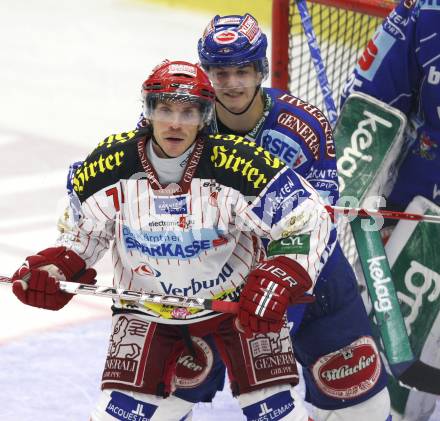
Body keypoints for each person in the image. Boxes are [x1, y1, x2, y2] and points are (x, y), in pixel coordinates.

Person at [11, 60, 337, 421]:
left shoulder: (238, 164)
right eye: (165, 109)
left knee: (278, 413)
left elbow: (310, 216)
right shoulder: (109, 164)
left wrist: (282, 273)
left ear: (205, 116)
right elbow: (82, 235)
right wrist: (57, 268)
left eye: (189, 111)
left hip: (236, 307)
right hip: (145, 309)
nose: (176, 123)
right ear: (148, 112)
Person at [171, 13, 389, 421]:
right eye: (220, 72)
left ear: (261, 70)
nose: (232, 83)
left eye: (242, 70)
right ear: (206, 73)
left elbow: (320, 224)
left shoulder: (304, 125)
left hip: (306, 278)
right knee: (158, 401)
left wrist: (283, 279)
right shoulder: (180, 122)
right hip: (211, 279)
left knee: (365, 410)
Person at [340, 1, 440, 420]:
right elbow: (367, 104)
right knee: (387, 392)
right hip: (419, 220)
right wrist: (367, 203)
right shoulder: (425, 12)